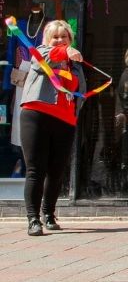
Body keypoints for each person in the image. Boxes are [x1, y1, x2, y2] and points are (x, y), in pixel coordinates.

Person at [21, 20, 86, 236]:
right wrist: (65, 50)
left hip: (65, 119)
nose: (59, 40)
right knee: (35, 170)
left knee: (57, 171)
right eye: (55, 37)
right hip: (37, 115)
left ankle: (48, 214)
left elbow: (80, 91)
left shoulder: (75, 63)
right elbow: (44, 60)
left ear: (70, 38)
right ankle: (33, 219)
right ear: (47, 40)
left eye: (64, 37)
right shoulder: (40, 53)